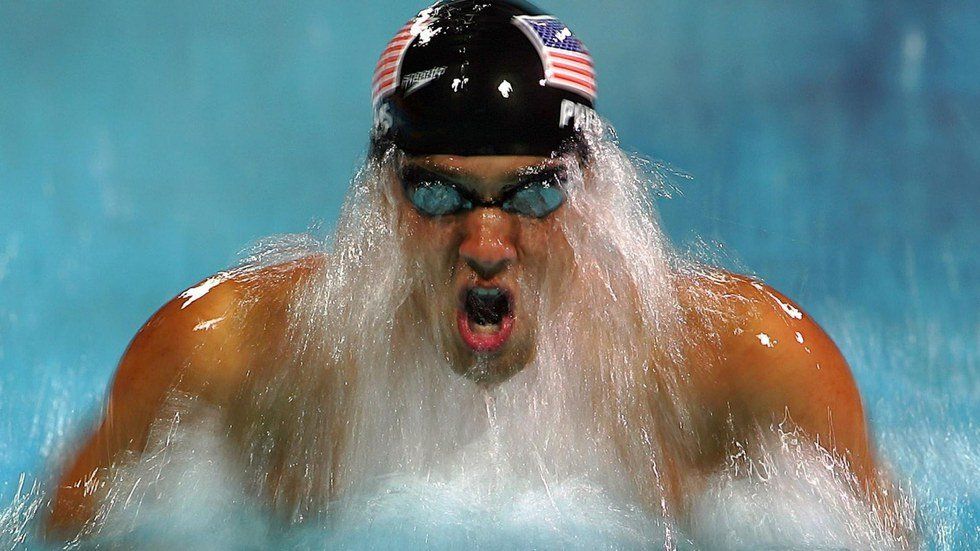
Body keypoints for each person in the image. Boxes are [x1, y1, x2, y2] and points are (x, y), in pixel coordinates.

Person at [46, 0, 906, 544]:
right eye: (437, 192)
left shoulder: (751, 374)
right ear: (380, 201)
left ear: (597, 197)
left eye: (532, 195)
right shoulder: (222, 363)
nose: (487, 242)